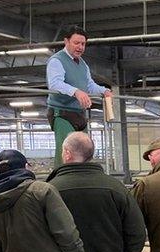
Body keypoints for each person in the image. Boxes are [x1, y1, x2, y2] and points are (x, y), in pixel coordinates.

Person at [46, 26, 113, 167]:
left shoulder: (83, 64)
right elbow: (55, 83)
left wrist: (104, 90)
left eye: (83, 44)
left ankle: (81, 180)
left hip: (79, 113)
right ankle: (61, 183)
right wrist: (76, 91)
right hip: (62, 112)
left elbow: (89, 85)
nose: (80, 47)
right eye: (76, 43)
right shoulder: (57, 60)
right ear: (66, 41)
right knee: (67, 152)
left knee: (83, 150)